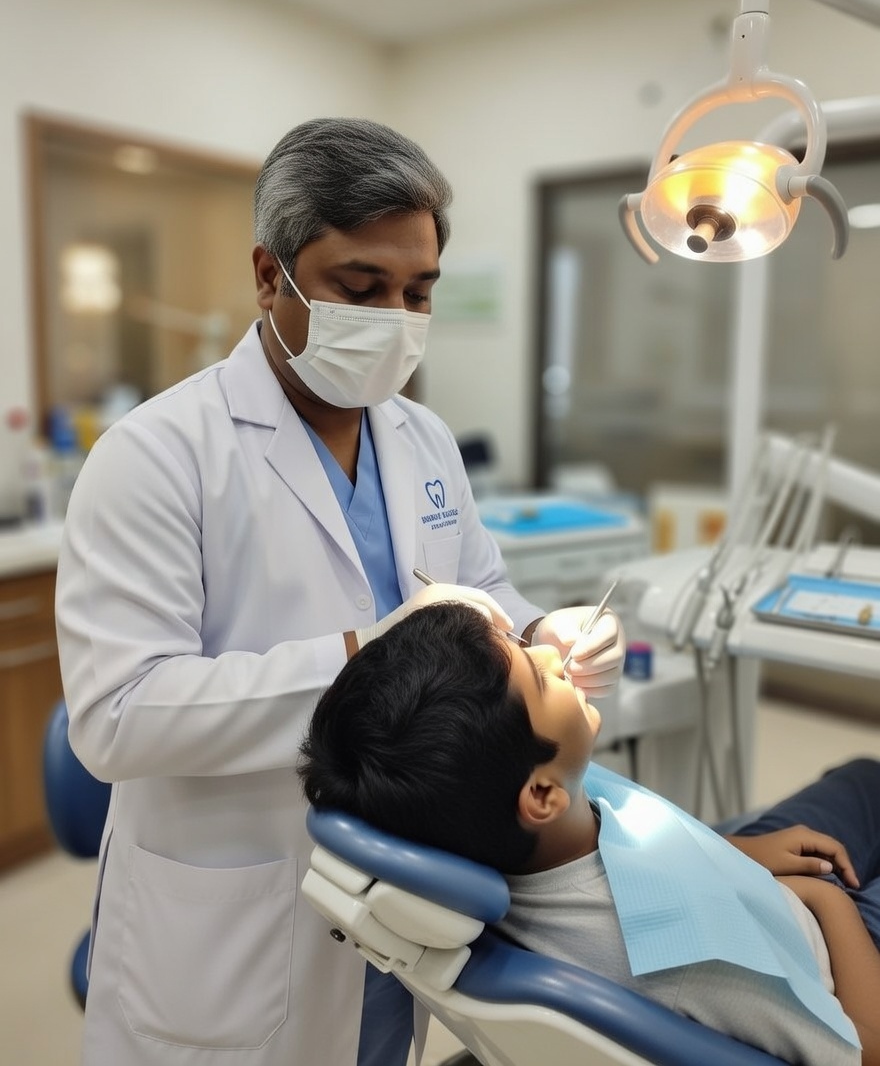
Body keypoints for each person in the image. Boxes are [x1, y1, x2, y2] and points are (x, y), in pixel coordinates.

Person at [54, 117, 624, 1066]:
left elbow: (476, 584)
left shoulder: (422, 439)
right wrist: (368, 657)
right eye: (362, 289)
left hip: (409, 888)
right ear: (269, 274)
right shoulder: (155, 457)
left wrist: (541, 627)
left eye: (418, 292)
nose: (396, 317)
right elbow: (119, 717)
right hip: (236, 909)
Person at [299, 600, 880, 1066]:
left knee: (863, 779)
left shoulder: (504, 824)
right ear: (542, 796)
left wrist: (737, 854)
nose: (552, 655)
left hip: (726, 879)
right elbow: (864, 1051)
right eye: (538, 675)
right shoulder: (696, 965)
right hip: (818, 950)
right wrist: (826, 901)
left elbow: (629, 854)